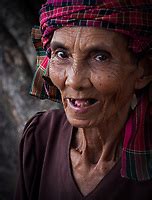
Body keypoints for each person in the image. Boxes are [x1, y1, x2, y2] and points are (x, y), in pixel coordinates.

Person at [15, 0, 152, 199]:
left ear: (143, 71)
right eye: (62, 54)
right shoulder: (41, 135)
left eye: (100, 57)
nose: (75, 80)